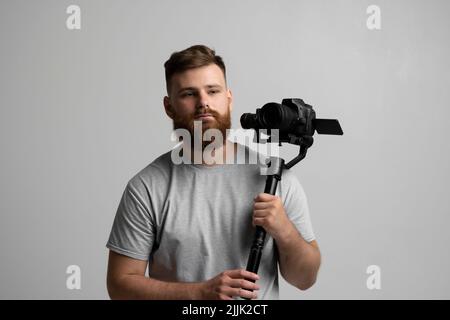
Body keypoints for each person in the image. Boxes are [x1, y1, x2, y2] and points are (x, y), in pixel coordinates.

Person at [106, 45, 321, 300]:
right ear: (169, 106)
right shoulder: (147, 187)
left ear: (228, 98)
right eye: (188, 94)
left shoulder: (274, 178)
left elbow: (304, 279)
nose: (203, 103)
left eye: (213, 91)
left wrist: (284, 230)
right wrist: (199, 293)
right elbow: (120, 286)